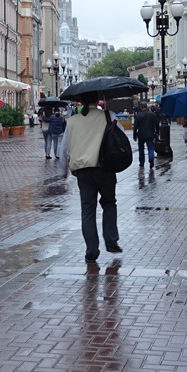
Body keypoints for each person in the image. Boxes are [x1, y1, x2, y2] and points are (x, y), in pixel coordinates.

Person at [58, 91, 121, 263]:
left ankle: (91, 250)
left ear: (81, 101)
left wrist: (63, 170)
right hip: (105, 168)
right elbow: (120, 139)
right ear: (96, 100)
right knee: (109, 203)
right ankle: (111, 239)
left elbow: (63, 149)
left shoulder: (72, 122)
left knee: (87, 210)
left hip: (83, 171)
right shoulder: (109, 116)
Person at [132, 102, 159, 168]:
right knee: (150, 148)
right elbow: (157, 124)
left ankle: (141, 162)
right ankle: (151, 158)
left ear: (140, 107)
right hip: (150, 134)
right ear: (146, 107)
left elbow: (135, 126)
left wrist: (135, 135)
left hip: (141, 134)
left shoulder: (139, 115)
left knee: (141, 149)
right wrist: (157, 133)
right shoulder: (152, 114)